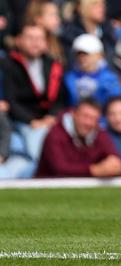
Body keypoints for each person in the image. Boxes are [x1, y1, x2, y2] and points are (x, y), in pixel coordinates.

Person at [1, 23, 68, 168]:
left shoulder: (53, 65)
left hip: (49, 119)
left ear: (45, 43)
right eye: (30, 38)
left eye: (39, 39)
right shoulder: (8, 65)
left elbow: (60, 98)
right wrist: (32, 121)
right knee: (35, 144)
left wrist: (52, 116)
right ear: (19, 40)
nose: (35, 43)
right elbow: (11, 100)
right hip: (22, 121)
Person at [34, 98, 121, 178]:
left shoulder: (100, 134)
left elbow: (114, 158)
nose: (88, 123)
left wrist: (116, 166)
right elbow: (60, 169)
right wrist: (94, 170)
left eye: (93, 119)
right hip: (48, 190)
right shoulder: (55, 134)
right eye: (85, 116)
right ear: (74, 114)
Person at [64, 34, 121, 107]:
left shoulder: (110, 80)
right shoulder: (68, 78)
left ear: (99, 55)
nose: (82, 58)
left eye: (86, 54)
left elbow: (116, 105)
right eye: (79, 54)